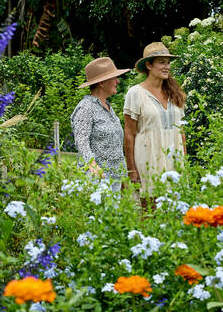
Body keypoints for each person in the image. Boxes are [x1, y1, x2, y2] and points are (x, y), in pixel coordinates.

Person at [124, 42, 186, 198]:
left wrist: (185, 162)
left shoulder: (175, 94)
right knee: (149, 211)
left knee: (175, 208)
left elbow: (181, 131)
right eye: (161, 62)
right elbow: (129, 134)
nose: (167, 67)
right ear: (149, 65)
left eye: (168, 63)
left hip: (174, 158)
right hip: (148, 158)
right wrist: (131, 170)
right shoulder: (136, 93)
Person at [71, 57, 130, 189]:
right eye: (114, 78)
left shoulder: (108, 107)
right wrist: (93, 166)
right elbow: (81, 141)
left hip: (114, 177)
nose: (118, 81)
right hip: (97, 179)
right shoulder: (86, 107)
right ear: (102, 83)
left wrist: (123, 173)